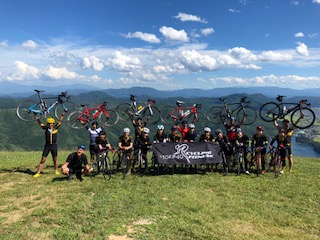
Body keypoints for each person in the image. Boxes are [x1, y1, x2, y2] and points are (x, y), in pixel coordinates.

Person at [33, 111, 66, 178]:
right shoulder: (46, 128)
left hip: (54, 146)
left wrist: (62, 115)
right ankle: (38, 172)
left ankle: (56, 170)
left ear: (53, 124)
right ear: (47, 124)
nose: (50, 125)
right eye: (49, 123)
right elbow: (40, 123)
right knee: (43, 160)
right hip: (47, 146)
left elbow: (59, 121)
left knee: (55, 159)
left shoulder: (56, 128)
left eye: (51, 123)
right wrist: (36, 116)